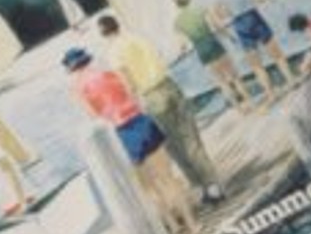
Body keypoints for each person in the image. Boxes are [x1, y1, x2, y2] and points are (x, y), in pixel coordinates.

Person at [61, 45, 198, 234]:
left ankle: (173, 226)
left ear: (71, 69)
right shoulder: (109, 72)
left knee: (148, 187)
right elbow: (132, 94)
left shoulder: (77, 89)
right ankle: (192, 224)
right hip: (140, 122)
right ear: (87, 60)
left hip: (121, 134)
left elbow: (94, 117)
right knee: (168, 179)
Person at [96, 11, 225, 205]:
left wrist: (135, 104)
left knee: (173, 145)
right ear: (117, 25)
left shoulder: (114, 52)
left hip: (151, 96)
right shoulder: (138, 38)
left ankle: (200, 187)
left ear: (103, 34)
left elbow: (128, 82)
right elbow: (159, 57)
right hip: (169, 85)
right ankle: (214, 185)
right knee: (191, 139)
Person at [207, 0, 293, 96]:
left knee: (256, 65)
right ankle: (291, 80)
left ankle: (270, 92)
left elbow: (216, 13)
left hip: (239, 23)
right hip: (253, 15)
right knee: (275, 53)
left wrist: (228, 13)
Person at [172, 0, 251, 109]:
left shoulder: (177, 22)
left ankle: (239, 109)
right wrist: (230, 36)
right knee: (234, 76)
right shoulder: (200, 9)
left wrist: (180, 53)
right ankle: (250, 104)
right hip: (213, 43)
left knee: (221, 82)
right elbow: (217, 25)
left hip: (202, 51)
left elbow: (182, 45)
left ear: (176, 4)